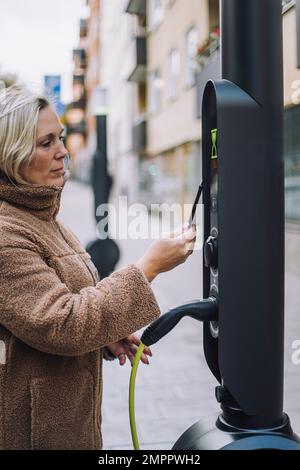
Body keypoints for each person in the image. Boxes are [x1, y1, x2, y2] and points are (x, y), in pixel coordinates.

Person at [0, 86, 197, 450]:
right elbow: (63, 323)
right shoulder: (6, 232)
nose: (63, 150)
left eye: (59, 137)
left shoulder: (47, 219)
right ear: (11, 155)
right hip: (33, 435)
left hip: (69, 423)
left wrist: (103, 335)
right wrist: (147, 267)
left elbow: (52, 311)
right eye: (45, 143)